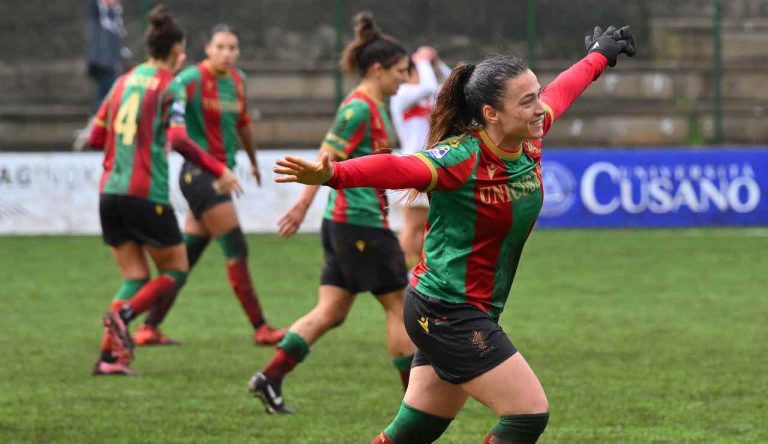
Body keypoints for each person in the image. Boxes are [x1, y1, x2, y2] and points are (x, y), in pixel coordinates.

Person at [273, 25, 635, 443]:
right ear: (491, 113)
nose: (540, 108)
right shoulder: (461, 157)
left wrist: (599, 56)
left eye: (536, 95)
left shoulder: (527, 140)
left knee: (416, 428)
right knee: (527, 414)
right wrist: (333, 173)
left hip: (458, 309)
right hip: (447, 310)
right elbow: (397, 167)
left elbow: (563, 91)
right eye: (527, 101)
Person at [247, 11, 415, 414]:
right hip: (360, 226)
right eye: (400, 71)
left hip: (347, 225)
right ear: (377, 69)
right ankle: (417, 405)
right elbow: (325, 160)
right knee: (401, 307)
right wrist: (302, 204)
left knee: (332, 311)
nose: (405, 79)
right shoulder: (358, 109)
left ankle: (270, 377)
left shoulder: (374, 107)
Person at [87, 4, 241, 376]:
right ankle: (124, 316)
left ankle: (109, 358)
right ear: (174, 51)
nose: (183, 57)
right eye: (182, 51)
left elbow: (95, 136)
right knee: (175, 269)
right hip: (145, 194)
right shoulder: (171, 86)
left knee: (135, 277)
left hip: (109, 193)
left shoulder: (122, 81)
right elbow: (179, 138)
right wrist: (219, 169)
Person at [134, 24, 286, 346]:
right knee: (236, 247)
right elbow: (163, 104)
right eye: (220, 47)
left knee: (185, 258)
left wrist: (254, 161)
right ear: (208, 49)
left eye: (232, 48)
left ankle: (148, 327)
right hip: (200, 174)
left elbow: (243, 123)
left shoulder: (238, 80)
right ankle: (261, 327)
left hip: (219, 174)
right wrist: (160, 139)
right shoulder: (191, 79)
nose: (227, 54)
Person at [390, 46, 452, 273]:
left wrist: (437, 63)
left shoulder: (428, 97)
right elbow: (428, 86)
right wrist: (422, 61)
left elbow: (456, 88)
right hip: (412, 164)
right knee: (414, 224)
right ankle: (402, 274)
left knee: (428, 226)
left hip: (431, 165)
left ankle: (417, 271)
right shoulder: (401, 94)